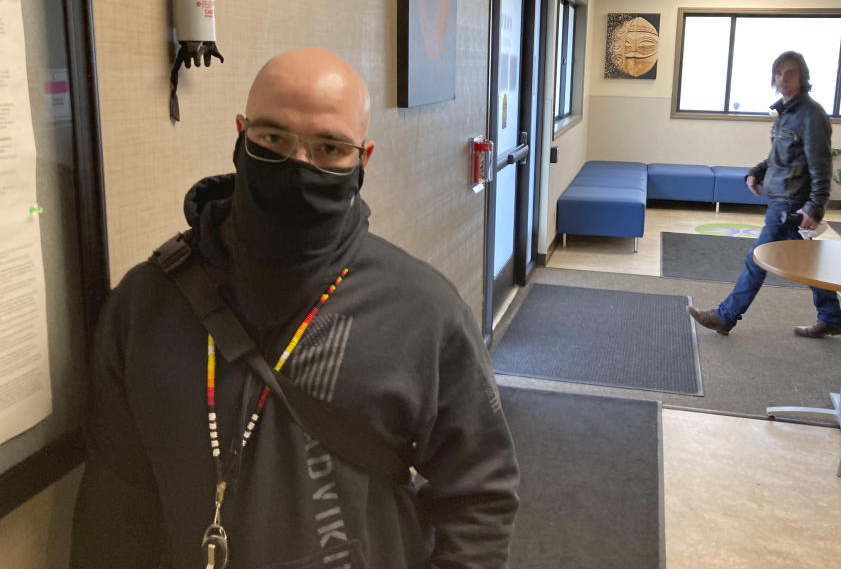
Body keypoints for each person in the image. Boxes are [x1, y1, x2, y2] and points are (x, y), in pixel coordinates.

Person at [71, 48, 520, 568]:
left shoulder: (423, 310)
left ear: (363, 159)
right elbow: (115, 491)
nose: (298, 164)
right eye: (273, 138)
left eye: (330, 148)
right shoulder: (146, 302)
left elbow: (481, 495)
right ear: (241, 134)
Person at [688, 51, 841, 338]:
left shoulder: (811, 116)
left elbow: (821, 165)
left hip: (792, 202)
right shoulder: (786, 113)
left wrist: (815, 207)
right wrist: (757, 171)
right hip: (781, 197)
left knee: (757, 258)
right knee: (807, 262)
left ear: (802, 77)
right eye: (779, 73)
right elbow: (779, 155)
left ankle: (725, 317)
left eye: (790, 73)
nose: (783, 78)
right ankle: (832, 317)